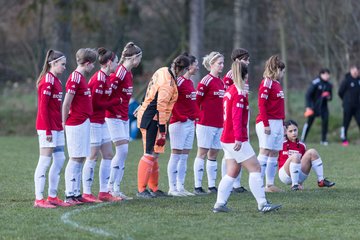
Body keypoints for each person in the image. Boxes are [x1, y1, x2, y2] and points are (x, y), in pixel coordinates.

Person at [213, 62, 281, 213]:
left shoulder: (230, 90)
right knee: (255, 167)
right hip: (235, 139)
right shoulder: (238, 92)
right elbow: (236, 117)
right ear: (246, 75)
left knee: (232, 172)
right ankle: (262, 204)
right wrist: (238, 138)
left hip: (227, 138)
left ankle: (219, 204)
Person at [136, 54, 190, 198]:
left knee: (155, 153)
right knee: (149, 152)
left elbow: (150, 88)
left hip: (154, 116)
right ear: (183, 69)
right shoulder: (168, 82)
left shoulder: (163, 70)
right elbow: (160, 105)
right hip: (152, 117)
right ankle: (141, 190)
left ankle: (154, 188)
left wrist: (142, 102)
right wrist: (162, 130)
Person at [82, 47, 122, 202]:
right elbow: (97, 103)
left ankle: (104, 192)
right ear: (110, 62)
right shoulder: (98, 79)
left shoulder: (106, 78)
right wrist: (116, 101)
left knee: (108, 154)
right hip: (93, 122)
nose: (118, 66)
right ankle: (86, 192)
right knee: (92, 156)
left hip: (102, 121)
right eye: (117, 62)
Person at [105, 42, 142, 200]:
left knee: (124, 152)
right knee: (122, 151)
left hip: (123, 116)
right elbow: (108, 92)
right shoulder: (120, 72)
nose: (140, 61)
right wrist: (117, 103)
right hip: (113, 116)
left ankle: (116, 188)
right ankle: (110, 187)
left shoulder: (129, 74)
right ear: (134, 58)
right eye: (139, 58)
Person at [34, 49, 70, 208]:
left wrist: (61, 124)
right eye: (62, 64)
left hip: (57, 127)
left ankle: (53, 196)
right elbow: (43, 108)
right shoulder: (47, 81)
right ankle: (39, 199)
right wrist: (48, 131)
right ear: (53, 63)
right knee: (45, 161)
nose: (64, 67)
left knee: (60, 159)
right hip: (46, 127)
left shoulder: (57, 80)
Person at [62, 48, 97, 205]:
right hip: (75, 122)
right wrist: (63, 123)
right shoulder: (75, 78)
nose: (93, 68)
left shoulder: (81, 77)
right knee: (75, 157)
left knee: (81, 157)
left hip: (84, 121)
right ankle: (69, 194)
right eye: (93, 64)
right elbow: (66, 103)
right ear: (88, 63)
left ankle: (76, 193)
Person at [167, 53, 199, 197]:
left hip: (190, 123)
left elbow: (193, 104)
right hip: (179, 123)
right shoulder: (178, 82)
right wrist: (181, 117)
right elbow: (171, 101)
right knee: (176, 155)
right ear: (189, 66)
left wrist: (196, 117)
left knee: (185, 156)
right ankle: (172, 187)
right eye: (195, 64)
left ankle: (180, 186)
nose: (197, 67)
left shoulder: (190, 83)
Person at [193, 51, 225, 195]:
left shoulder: (222, 82)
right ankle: (198, 186)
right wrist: (199, 117)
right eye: (219, 63)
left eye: (223, 63)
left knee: (214, 154)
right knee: (202, 153)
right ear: (211, 64)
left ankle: (212, 186)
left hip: (219, 123)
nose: (222, 66)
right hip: (205, 123)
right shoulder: (206, 81)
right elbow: (196, 102)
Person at [221, 48, 250, 194]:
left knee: (233, 153)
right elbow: (228, 99)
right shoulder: (231, 76)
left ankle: (235, 182)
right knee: (230, 152)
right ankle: (230, 182)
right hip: (233, 118)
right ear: (237, 60)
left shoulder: (243, 75)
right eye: (245, 59)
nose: (248, 62)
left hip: (242, 113)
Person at [255, 55, 286, 192]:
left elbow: (279, 106)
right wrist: (266, 123)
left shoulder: (277, 84)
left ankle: (270, 185)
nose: (283, 74)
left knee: (274, 152)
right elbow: (262, 104)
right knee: (265, 151)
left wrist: (282, 123)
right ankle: (258, 184)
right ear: (277, 69)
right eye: (282, 71)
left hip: (278, 122)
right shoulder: (267, 82)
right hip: (268, 122)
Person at [278, 120, 335, 190]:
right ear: (285, 132)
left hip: (298, 176)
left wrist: (301, 183)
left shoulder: (302, 145)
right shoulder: (280, 143)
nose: (294, 133)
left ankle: (321, 180)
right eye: (290, 131)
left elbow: (301, 163)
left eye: (295, 130)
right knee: (295, 156)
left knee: (312, 151)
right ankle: (294, 185)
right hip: (284, 175)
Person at [301, 68, 332, 145]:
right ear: (321, 74)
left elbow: (331, 97)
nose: (327, 76)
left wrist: (328, 96)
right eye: (325, 74)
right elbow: (308, 95)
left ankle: (324, 140)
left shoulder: (329, 85)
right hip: (313, 107)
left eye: (328, 74)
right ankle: (302, 139)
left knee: (325, 122)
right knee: (309, 122)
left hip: (323, 107)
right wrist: (308, 106)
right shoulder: (315, 83)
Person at [338, 65, 360, 146]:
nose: (355, 72)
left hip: (357, 106)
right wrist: (346, 100)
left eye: (356, 71)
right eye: (353, 70)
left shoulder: (358, 80)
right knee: (346, 123)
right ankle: (344, 139)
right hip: (348, 106)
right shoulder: (346, 80)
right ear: (351, 71)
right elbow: (340, 92)